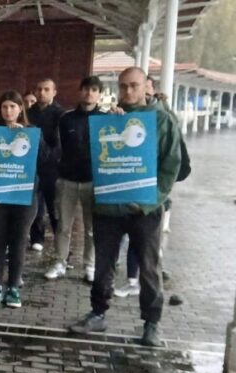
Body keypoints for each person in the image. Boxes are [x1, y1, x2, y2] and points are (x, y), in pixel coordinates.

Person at [70, 67, 182, 347]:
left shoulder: (162, 121)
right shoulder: (108, 120)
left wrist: (152, 199)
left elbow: (172, 166)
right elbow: (94, 158)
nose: (128, 92)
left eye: (133, 86)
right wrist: (109, 125)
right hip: (109, 209)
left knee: (148, 266)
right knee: (104, 264)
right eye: (122, 87)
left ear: (146, 86)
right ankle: (97, 313)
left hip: (145, 210)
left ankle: (151, 323)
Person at [0, 90, 54, 308]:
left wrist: (26, 137)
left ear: (20, 109)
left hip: (24, 196)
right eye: (4, 107)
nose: (8, 111)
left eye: (12, 107)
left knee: (18, 242)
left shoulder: (32, 131)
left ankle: (13, 287)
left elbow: (45, 157)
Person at [45, 76, 105, 283]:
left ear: (100, 94)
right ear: (80, 92)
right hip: (67, 180)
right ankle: (60, 262)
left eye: (94, 90)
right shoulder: (66, 118)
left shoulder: (106, 119)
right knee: (63, 226)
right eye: (86, 89)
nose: (90, 93)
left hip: (93, 181)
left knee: (91, 228)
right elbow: (54, 146)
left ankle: (90, 265)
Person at [27, 78, 64, 252]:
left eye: (46, 89)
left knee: (55, 208)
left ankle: (62, 245)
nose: (42, 92)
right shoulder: (28, 113)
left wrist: (50, 156)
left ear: (54, 92)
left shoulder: (61, 114)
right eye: (39, 89)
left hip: (52, 167)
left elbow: (60, 143)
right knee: (35, 205)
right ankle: (37, 237)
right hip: (31, 166)